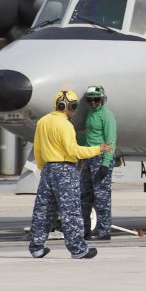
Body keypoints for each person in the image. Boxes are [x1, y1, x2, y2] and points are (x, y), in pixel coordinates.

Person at [28, 89, 112, 259]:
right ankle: (78, 249)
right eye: (73, 106)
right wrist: (98, 149)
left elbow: (37, 149)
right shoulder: (66, 125)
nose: (74, 111)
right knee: (71, 211)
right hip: (65, 170)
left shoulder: (43, 122)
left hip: (47, 170)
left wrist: (43, 167)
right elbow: (73, 151)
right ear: (64, 106)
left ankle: (36, 246)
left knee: (43, 210)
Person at [79, 84, 118, 241]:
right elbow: (88, 137)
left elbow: (111, 141)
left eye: (96, 99)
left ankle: (104, 231)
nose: (93, 102)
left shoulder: (107, 116)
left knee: (101, 197)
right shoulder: (90, 113)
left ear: (102, 100)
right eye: (90, 100)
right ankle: (85, 230)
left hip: (101, 158)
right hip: (89, 156)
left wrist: (105, 164)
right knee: (84, 195)